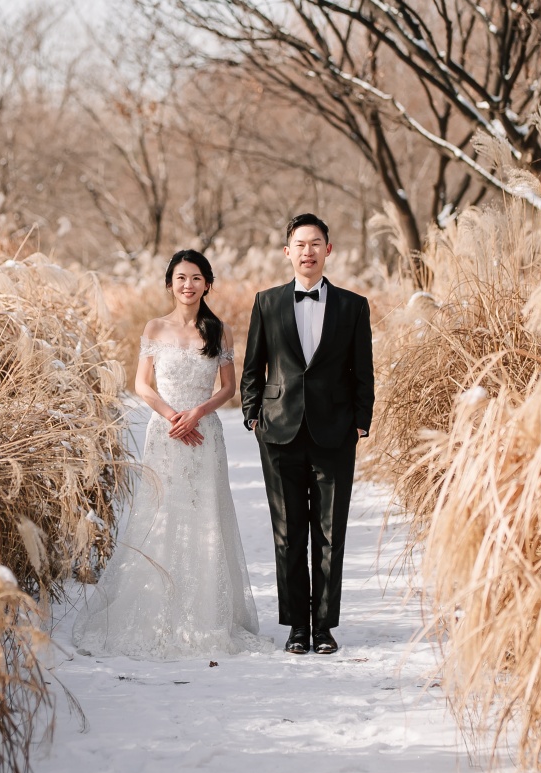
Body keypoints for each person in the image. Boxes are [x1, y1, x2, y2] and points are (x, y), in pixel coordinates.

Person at [71, 249, 262, 659]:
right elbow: (141, 384)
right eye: (180, 277)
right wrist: (173, 416)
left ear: (207, 284)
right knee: (161, 513)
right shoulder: (154, 328)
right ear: (170, 283)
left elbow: (228, 388)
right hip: (167, 431)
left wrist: (197, 413)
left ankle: (206, 613)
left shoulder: (220, 331)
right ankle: (157, 607)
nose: (188, 285)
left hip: (204, 431)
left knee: (205, 513)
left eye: (196, 278)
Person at [240, 213, 374, 655]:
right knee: (288, 531)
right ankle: (297, 625)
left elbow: (363, 371)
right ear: (287, 252)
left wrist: (361, 419)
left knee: (331, 532)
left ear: (328, 250)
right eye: (300, 244)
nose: (308, 252)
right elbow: (253, 366)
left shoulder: (353, 306)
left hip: (335, 432)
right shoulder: (267, 302)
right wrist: (252, 415)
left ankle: (324, 626)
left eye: (316, 244)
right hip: (278, 431)